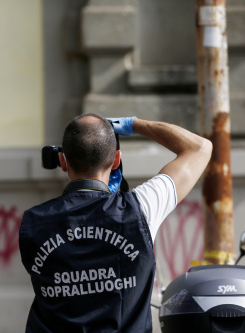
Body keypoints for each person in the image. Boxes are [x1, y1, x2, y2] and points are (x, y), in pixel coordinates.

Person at [19, 114, 212, 332]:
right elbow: (200, 148)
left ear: (62, 161)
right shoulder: (141, 209)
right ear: (117, 159)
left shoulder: (33, 222)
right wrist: (135, 125)